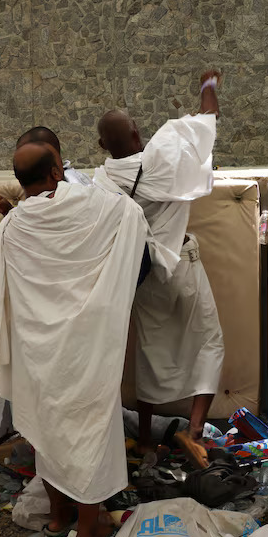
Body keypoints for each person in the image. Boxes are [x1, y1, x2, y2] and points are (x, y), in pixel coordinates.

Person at [0, 142, 150, 537]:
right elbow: (134, 217)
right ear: (57, 170)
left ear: (21, 182)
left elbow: (5, 294)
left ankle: (59, 518)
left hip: (39, 348)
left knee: (50, 427)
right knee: (90, 429)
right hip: (89, 345)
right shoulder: (100, 209)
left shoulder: (13, 226)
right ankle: (89, 530)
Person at [92, 70, 224, 468]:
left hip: (142, 275)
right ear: (138, 136)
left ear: (102, 145)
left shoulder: (100, 181)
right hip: (181, 266)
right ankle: (195, 429)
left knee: (148, 351)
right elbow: (207, 123)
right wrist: (208, 86)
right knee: (208, 340)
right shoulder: (163, 159)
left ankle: (147, 439)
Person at [0, 126, 92, 439]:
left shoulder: (86, 193)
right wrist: (9, 213)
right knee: (39, 399)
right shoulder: (19, 221)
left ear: (57, 166)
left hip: (75, 312)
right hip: (37, 319)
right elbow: (37, 240)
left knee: (70, 401)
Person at [0, 126, 92, 218]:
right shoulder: (40, 188)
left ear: (56, 173)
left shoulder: (79, 191)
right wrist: (7, 210)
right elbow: (34, 228)